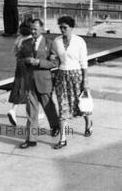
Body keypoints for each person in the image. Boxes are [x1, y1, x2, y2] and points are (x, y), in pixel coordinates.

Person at [51, 16, 92, 149]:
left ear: (71, 28)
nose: (62, 30)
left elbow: (84, 62)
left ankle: (88, 124)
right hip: (62, 76)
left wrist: (85, 81)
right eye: (60, 27)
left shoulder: (79, 41)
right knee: (63, 107)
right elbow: (54, 56)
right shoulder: (56, 41)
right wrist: (53, 57)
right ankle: (62, 139)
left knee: (81, 104)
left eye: (65, 27)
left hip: (77, 76)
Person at [19, 19, 60, 149]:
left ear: (42, 29)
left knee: (49, 108)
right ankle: (31, 139)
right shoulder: (25, 43)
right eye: (31, 29)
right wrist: (26, 60)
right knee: (31, 111)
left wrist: (39, 63)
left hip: (44, 81)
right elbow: (20, 60)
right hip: (30, 81)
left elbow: (55, 63)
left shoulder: (49, 43)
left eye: (35, 29)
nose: (33, 31)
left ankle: (55, 126)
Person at [7, 22, 32, 127]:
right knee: (30, 88)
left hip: (19, 65)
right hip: (27, 66)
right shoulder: (30, 42)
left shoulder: (19, 40)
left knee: (19, 86)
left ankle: (15, 110)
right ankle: (15, 110)